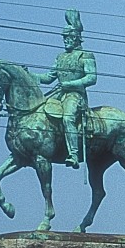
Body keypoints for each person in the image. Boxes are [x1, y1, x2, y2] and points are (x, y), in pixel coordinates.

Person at [36, 9, 96, 168]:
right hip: (59, 94)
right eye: (64, 37)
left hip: (75, 95)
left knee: (68, 117)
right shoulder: (60, 57)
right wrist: (30, 75)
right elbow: (49, 77)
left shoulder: (86, 55)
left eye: (68, 37)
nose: (65, 40)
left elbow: (91, 78)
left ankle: (74, 154)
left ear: (76, 38)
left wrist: (70, 84)